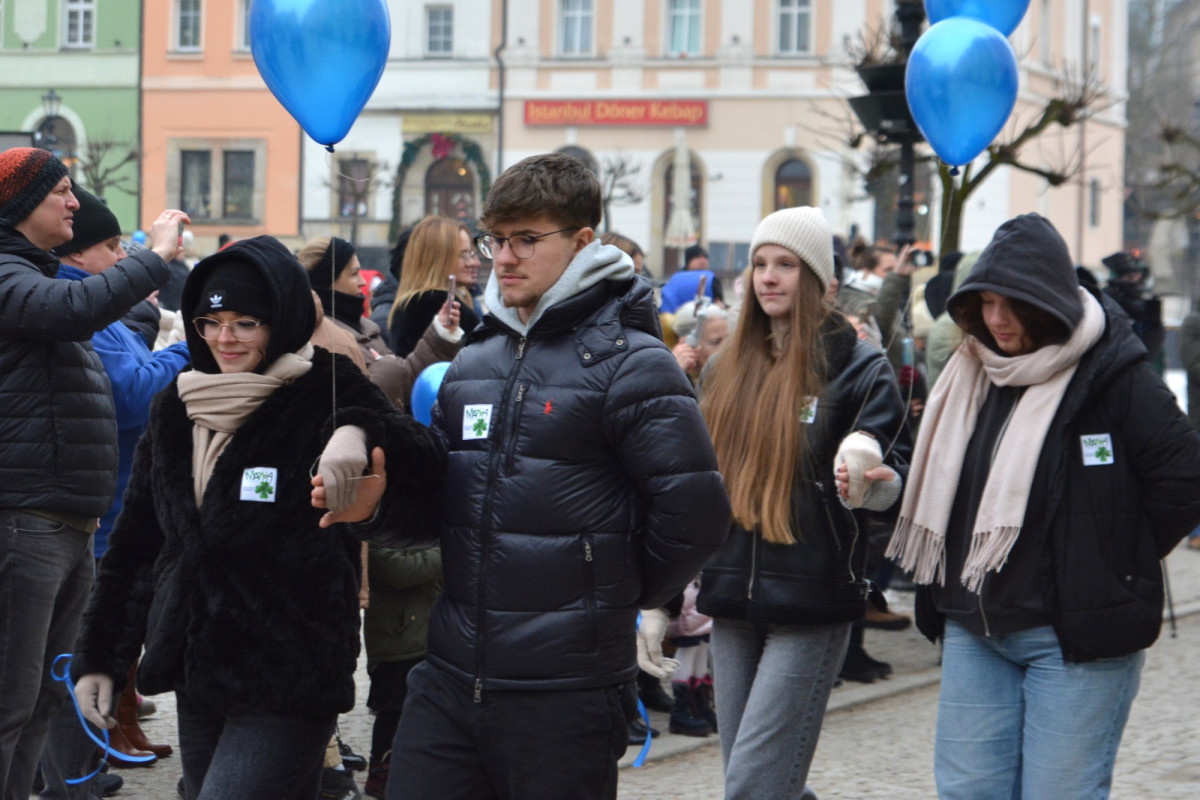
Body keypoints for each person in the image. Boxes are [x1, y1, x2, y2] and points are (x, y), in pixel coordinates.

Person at [386, 152, 730, 800]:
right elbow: (442, 502)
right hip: (451, 677)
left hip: (564, 692)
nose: (504, 258)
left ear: (581, 241)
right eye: (495, 240)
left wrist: (610, 596)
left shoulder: (635, 363)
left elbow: (696, 515)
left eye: (526, 239)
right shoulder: (475, 358)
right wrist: (376, 505)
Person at [68, 236, 446, 800]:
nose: (226, 338)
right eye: (211, 322)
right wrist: (100, 657)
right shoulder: (177, 404)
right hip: (197, 670)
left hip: (289, 670)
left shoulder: (326, 389)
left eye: (246, 323)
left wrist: (358, 428)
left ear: (281, 320)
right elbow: (137, 544)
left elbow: (428, 467)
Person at [886, 213, 1200, 799]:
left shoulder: (1115, 373)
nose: (996, 319)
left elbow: (1184, 479)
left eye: (1014, 304)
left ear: (1050, 301)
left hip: (1075, 637)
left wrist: (1109, 560)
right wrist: (887, 486)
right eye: (985, 303)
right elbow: (951, 488)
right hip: (975, 628)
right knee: (968, 793)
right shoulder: (971, 372)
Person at [696, 206, 911, 800]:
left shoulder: (859, 367)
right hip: (730, 600)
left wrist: (871, 477)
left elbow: (898, 477)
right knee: (759, 784)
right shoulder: (722, 368)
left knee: (754, 788)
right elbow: (693, 485)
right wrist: (665, 595)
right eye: (760, 264)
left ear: (820, 281)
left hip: (811, 600)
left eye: (786, 265)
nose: (768, 277)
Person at [0, 147, 188, 799]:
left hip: (66, 522)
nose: (74, 202)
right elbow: (78, 311)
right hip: (25, 523)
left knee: (41, 701)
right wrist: (155, 255)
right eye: (61, 191)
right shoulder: (8, 275)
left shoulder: (36, 275)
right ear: (23, 205)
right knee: (10, 702)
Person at [298, 236, 463, 410]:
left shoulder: (364, 327)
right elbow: (351, 407)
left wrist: (440, 333)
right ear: (328, 283)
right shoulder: (324, 338)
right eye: (354, 274)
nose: (363, 282)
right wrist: (387, 369)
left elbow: (405, 382)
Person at [387, 216, 481, 357]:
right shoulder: (436, 305)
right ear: (438, 259)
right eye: (463, 255)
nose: (472, 263)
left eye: (470, 254)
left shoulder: (411, 303)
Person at [1101, 250, 1165, 374]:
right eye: (1133, 275)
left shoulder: (1138, 300)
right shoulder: (1111, 297)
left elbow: (1154, 334)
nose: (1138, 279)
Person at [670, 301, 730, 384]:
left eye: (729, 340)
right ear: (687, 345)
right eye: (716, 342)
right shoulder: (675, 382)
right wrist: (676, 375)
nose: (727, 348)